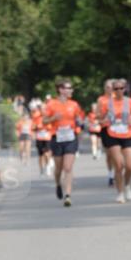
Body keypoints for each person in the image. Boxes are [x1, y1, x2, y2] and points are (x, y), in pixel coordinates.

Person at [43, 80, 85, 208]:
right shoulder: (51, 104)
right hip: (57, 138)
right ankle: (57, 184)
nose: (71, 90)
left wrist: (79, 123)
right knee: (58, 169)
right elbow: (44, 121)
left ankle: (68, 195)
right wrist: (53, 118)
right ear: (61, 90)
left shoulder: (74, 104)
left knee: (68, 167)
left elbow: (80, 119)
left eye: (71, 88)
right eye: (68, 88)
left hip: (71, 138)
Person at [98, 79, 131, 204]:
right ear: (112, 90)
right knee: (119, 165)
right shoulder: (106, 103)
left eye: (121, 88)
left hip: (127, 134)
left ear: (125, 88)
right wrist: (104, 120)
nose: (119, 91)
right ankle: (120, 193)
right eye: (116, 89)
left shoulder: (130, 102)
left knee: (129, 166)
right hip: (112, 135)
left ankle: (127, 186)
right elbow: (100, 118)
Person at [97, 79, 115, 186]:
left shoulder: (119, 99)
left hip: (119, 129)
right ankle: (110, 174)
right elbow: (98, 116)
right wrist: (105, 114)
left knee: (118, 154)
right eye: (108, 87)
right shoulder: (101, 100)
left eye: (112, 87)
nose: (110, 89)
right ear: (105, 88)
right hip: (106, 129)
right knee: (109, 155)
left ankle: (117, 171)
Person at [31, 100, 53, 176]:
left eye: (44, 108)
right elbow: (33, 127)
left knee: (47, 153)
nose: (42, 110)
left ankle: (48, 166)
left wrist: (47, 127)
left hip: (47, 138)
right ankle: (41, 169)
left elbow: (53, 126)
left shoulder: (49, 117)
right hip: (39, 138)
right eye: (41, 108)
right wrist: (37, 127)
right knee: (40, 155)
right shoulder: (36, 117)